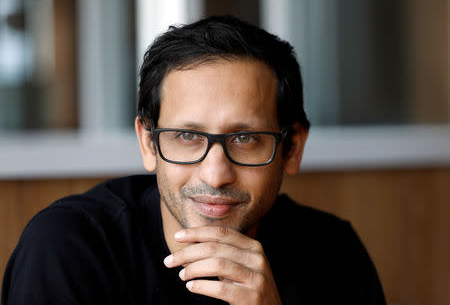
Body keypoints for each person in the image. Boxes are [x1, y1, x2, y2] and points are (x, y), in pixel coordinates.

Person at [2, 16, 386, 304]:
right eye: (187, 136)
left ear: (293, 148)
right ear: (148, 143)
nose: (215, 174)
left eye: (245, 138)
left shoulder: (334, 253)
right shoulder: (69, 248)